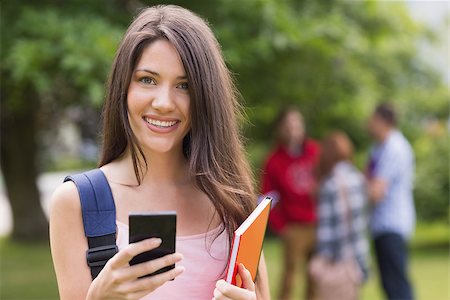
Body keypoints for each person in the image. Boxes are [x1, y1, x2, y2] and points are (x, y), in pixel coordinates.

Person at [49, 5, 270, 300]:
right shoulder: (77, 203)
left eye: (184, 85)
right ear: (123, 88)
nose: (164, 102)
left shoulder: (232, 203)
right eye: (147, 80)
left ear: (205, 97)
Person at [261, 106, 320, 300]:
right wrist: (280, 226)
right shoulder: (274, 160)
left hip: (318, 224)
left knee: (316, 276)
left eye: (297, 124)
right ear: (281, 128)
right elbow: (268, 198)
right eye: (289, 125)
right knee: (290, 277)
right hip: (293, 227)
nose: (294, 129)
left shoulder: (315, 152)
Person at [311, 131, 370, 300]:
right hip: (358, 259)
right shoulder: (358, 178)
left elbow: (327, 233)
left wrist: (319, 264)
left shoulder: (330, 185)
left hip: (338, 263)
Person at [367, 103, 415, 300]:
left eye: (373, 119)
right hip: (380, 224)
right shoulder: (378, 147)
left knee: (397, 285)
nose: (369, 124)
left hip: (392, 223)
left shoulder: (394, 147)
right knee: (388, 283)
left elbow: (376, 191)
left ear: (384, 121)